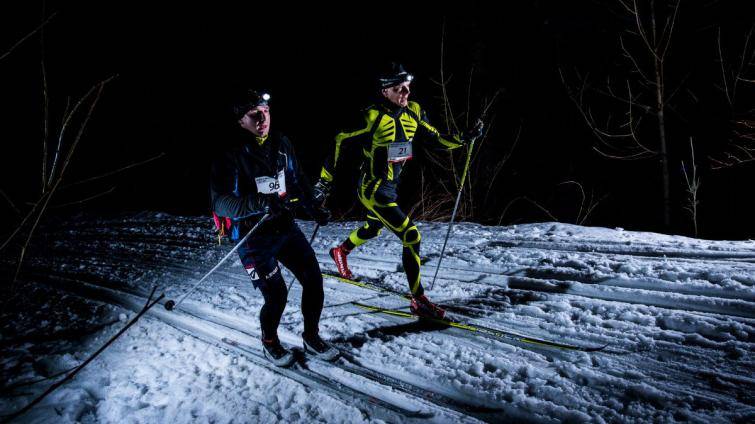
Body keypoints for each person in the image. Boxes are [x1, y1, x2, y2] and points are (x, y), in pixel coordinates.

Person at [313, 63, 483, 319]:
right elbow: (340, 140)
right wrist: (324, 181)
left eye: (407, 88)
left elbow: (435, 139)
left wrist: (464, 137)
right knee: (411, 236)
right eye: (398, 89)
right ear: (384, 92)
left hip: (391, 187)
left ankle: (341, 251)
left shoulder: (413, 111)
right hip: (373, 190)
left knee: (373, 228)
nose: (405, 93)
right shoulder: (372, 116)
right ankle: (419, 300)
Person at [210, 89, 336, 366]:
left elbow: (297, 179)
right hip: (252, 236)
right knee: (277, 294)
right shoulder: (230, 154)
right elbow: (221, 203)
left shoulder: (280, 142)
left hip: (283, 225)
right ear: (240, 121)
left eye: (265, 111)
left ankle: (311, 336)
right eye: (253, 114)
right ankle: (270, 342)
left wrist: (314, 208)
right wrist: (260, 202)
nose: (262, 117)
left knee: (313, 279)